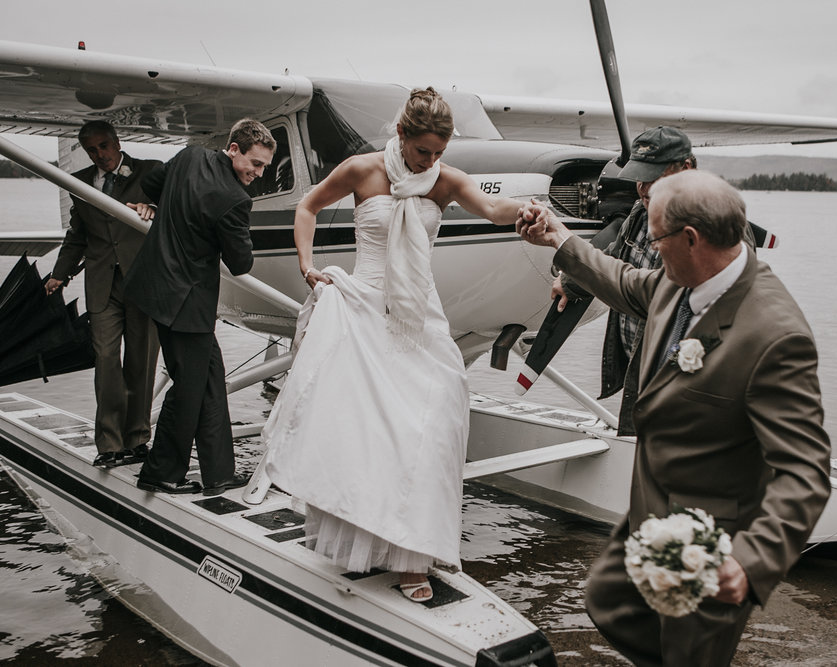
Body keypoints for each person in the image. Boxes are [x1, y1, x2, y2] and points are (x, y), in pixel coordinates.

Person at [517, 170, 832, 665]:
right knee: (606, 601)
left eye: (656, 237)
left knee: (689, 657)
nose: (650, 246)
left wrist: (749, 563)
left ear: (691, 239)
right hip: (649, 514)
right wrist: (559, 237)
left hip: (708, 545)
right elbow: (619, 280)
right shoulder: (679, 279)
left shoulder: (775, 336)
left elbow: (806, 472)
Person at [264, 88, 528, 602]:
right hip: (365, 307)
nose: (431, 162)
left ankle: (415, 551)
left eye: (439, 153)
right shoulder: (361, 170)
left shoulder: (445, 179)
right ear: (401, 135)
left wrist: (532, 210)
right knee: (369, 430)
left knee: (435, 425)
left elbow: (495, 209)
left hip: (419, 316)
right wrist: (306, 265)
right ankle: (376, 545)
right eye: (423, 151)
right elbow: (307, 206)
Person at [123, 118, 275, 496]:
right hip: (186, 304)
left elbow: (153, 184)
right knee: (188, 390)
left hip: (155, 285)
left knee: (209, 379)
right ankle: (159, 473)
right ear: (234, 148)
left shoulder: (190, 156)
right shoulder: (236, 200)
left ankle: (219, 472)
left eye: (264, 168)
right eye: (254, 164)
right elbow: (241, 263)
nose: (258, 174)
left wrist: (155, 207)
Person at [553, 126, 696, 436]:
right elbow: (616, 257)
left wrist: (563, 245)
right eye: (640, 179)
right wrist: (572, 283)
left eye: (653, 177)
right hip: (640, 371)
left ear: (686, 169)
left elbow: (649, 293)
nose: (643, 189)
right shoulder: (642, 212)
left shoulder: (712, 232)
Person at [45, 121, 160, 468]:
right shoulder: (78, 183)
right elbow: (77, 234)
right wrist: (59, 274)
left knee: (141, 362)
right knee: (106, 361)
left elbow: (174, 210)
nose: (100, 155)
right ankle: (110, 443)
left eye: (104, 146)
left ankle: (138, 438)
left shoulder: (150, 172)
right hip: (101, 285)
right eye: (92, 150)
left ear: (117, 142)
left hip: (142, 282)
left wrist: (152, 209)